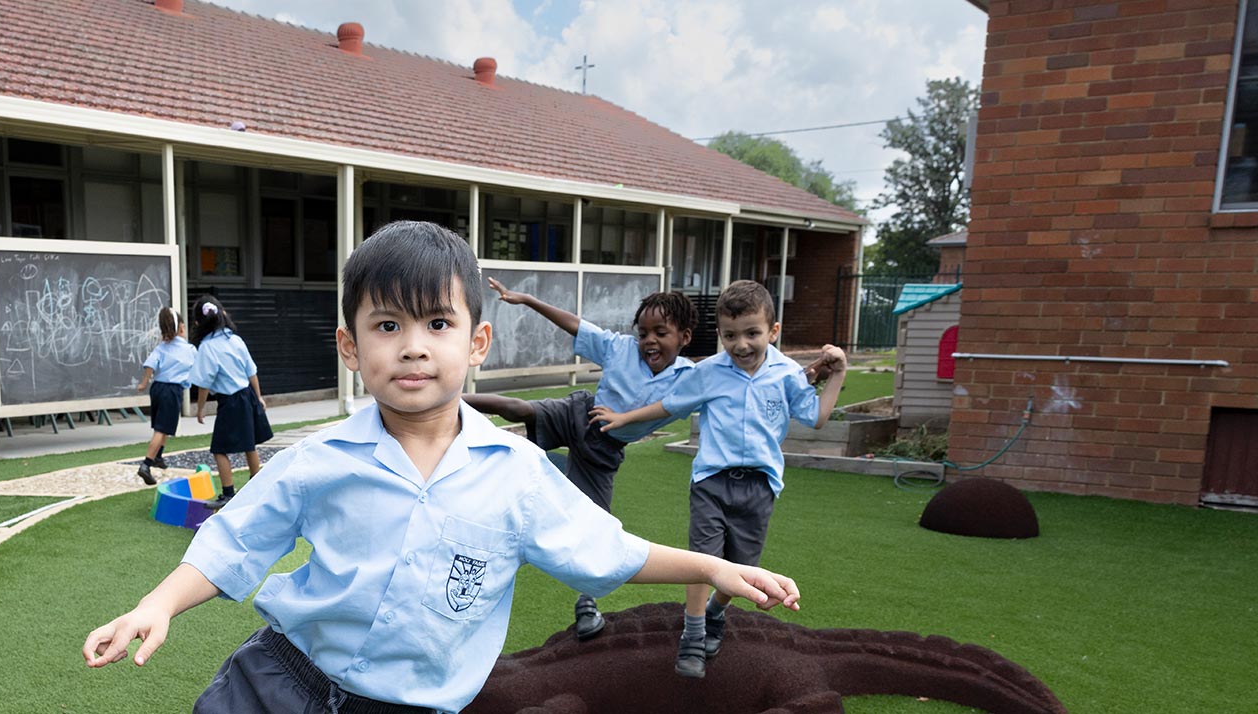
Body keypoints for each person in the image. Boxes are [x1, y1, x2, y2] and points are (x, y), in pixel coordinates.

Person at [84, 222, 801, 714]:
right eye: (387, 326)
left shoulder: (514, 473)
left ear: (478, 341)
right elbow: (235, 541)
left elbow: (603, 548)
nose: (414, 347)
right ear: (349, 345)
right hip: (279, 681)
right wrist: (157, 604)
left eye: (438, 324)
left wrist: (710, 568)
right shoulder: (318, 461)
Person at [589, 279, 846, 680]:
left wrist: (836, 375)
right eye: (730, 335)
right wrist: (624, 417)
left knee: (741, 567)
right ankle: (692, 634)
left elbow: (816, 417)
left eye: (752, 333)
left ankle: (716, 613)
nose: (741, 344)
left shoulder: (788, 374)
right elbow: (667, 404)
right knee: (705, 561)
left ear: (772, 332)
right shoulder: (709, 372)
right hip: (711, 480)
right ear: (720, 333)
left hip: (760, 486)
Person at [463, 281, 697, 640]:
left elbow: (731, 386)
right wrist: (526, 299)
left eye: (660, 333)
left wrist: (805, 376)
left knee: (597, 529)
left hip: (602, 453)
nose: (649, 340)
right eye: (643, 333)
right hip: (579, 415)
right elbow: (575, 324)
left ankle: (586, 605)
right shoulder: (620, 349)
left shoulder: (693, 380)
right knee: (520, 409)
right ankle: (451, 398)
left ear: (684, 337)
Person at [189, 294, 270, 508]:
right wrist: (259, 397)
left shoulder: (207, 347)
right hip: (247, 396)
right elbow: (251, 371)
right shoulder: (235, 339)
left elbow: (204, 382)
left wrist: (200, 409)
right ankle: (257, 488)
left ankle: (228, 494)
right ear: (222, 315)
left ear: (199, 322)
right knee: (249, 444)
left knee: (219, 448)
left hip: (230, 402)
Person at [135, 306, 195, 485]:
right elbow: (199, 369)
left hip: (158, 388)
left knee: (165, 425)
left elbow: (149, 365)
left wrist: (144, 382)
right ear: (181, 328)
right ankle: (146, 464)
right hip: (172, 390)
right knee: (161, 429)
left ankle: (158, 457)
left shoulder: (161, 348)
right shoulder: (189, 349)